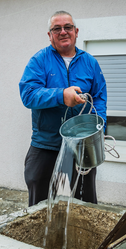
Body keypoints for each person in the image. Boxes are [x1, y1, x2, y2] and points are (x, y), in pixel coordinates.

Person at [19, 11, 107, 207]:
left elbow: (99, 97)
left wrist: (98, 126)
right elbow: (28, 95)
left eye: (67, 27)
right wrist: (61, 95)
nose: (63, 32)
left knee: (81, 203)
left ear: (76, 32)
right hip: (46, 146)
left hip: (81, 148)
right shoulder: (39, 60)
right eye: (56, 29)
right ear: (50, 35)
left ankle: (77, 237)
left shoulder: (90, 62)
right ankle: (43, 237)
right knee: (41, 204)